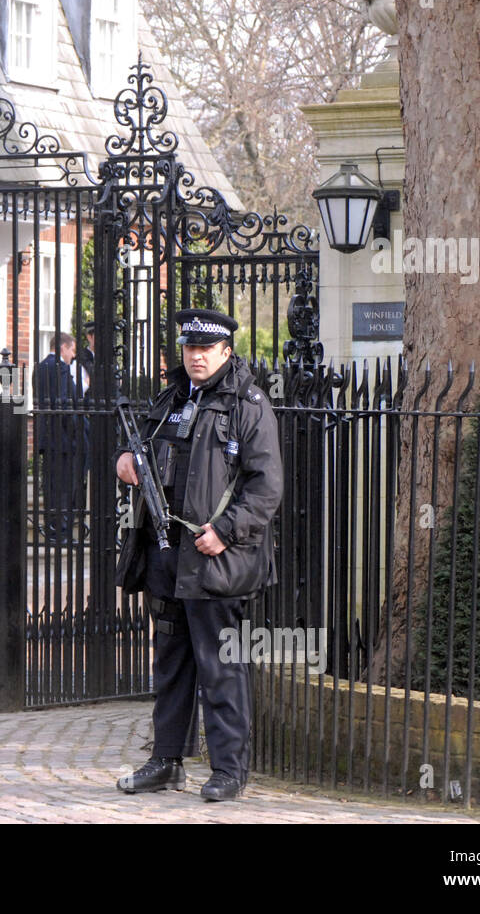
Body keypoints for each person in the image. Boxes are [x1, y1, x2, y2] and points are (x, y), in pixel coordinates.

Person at [113, 309, 282, 801]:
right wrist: (123, 460)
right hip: (166, 555)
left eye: (206, 349)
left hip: (216, 559)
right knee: (171, 662)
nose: (196, 357)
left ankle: (229, 771)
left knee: (221, 666)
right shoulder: (170, 399)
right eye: (190, 348)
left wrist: (226, 532)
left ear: (227, 351)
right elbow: (137, 449)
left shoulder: (248, 405)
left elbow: (266, 488)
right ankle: (166, 761)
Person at [33, 332, 87, 544]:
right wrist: (77, 432)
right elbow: (65, 404)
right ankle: (61, 531)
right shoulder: (61, 369)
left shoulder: (39, 368)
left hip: (47, 438)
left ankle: (52, 528)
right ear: (63, 347)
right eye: (72, 350)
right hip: (64, 440)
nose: (73, 355)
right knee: (64, 486)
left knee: (51, 485)